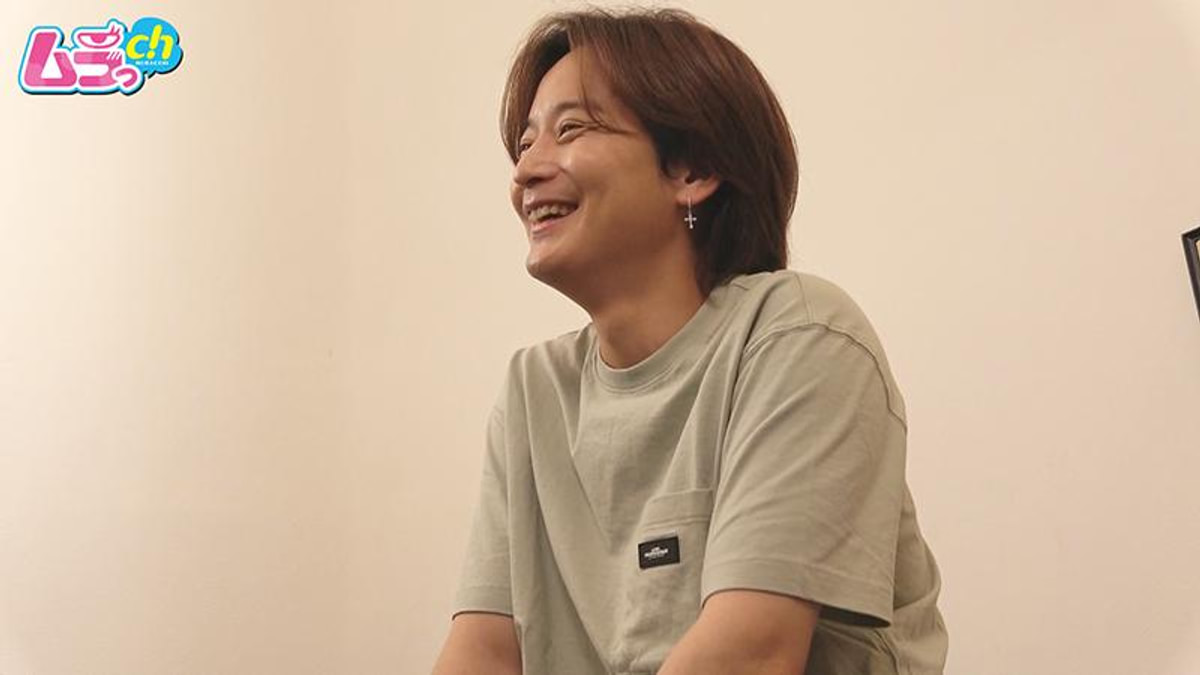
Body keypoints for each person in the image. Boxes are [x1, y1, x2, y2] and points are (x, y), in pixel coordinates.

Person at [431, 6, 948, 674]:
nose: (526, 169)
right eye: (525, 143)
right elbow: (481, 653)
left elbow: (751, 654)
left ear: (691, 170)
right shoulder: (534, 390)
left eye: (570, 129)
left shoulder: (799, 336)